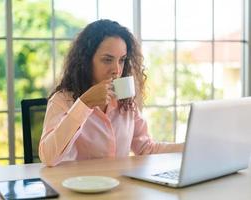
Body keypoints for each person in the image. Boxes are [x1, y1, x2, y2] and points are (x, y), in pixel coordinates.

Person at [39, 19, 184, 167]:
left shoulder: (124, 99)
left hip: (119, 187)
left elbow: (146, 148)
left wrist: (188, 147)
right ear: (86, 61)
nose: (117, 70)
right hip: (79, 187)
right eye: (107, 60)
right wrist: (84, 104)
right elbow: (48, 157)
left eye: (121, 60)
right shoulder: (62, 100)